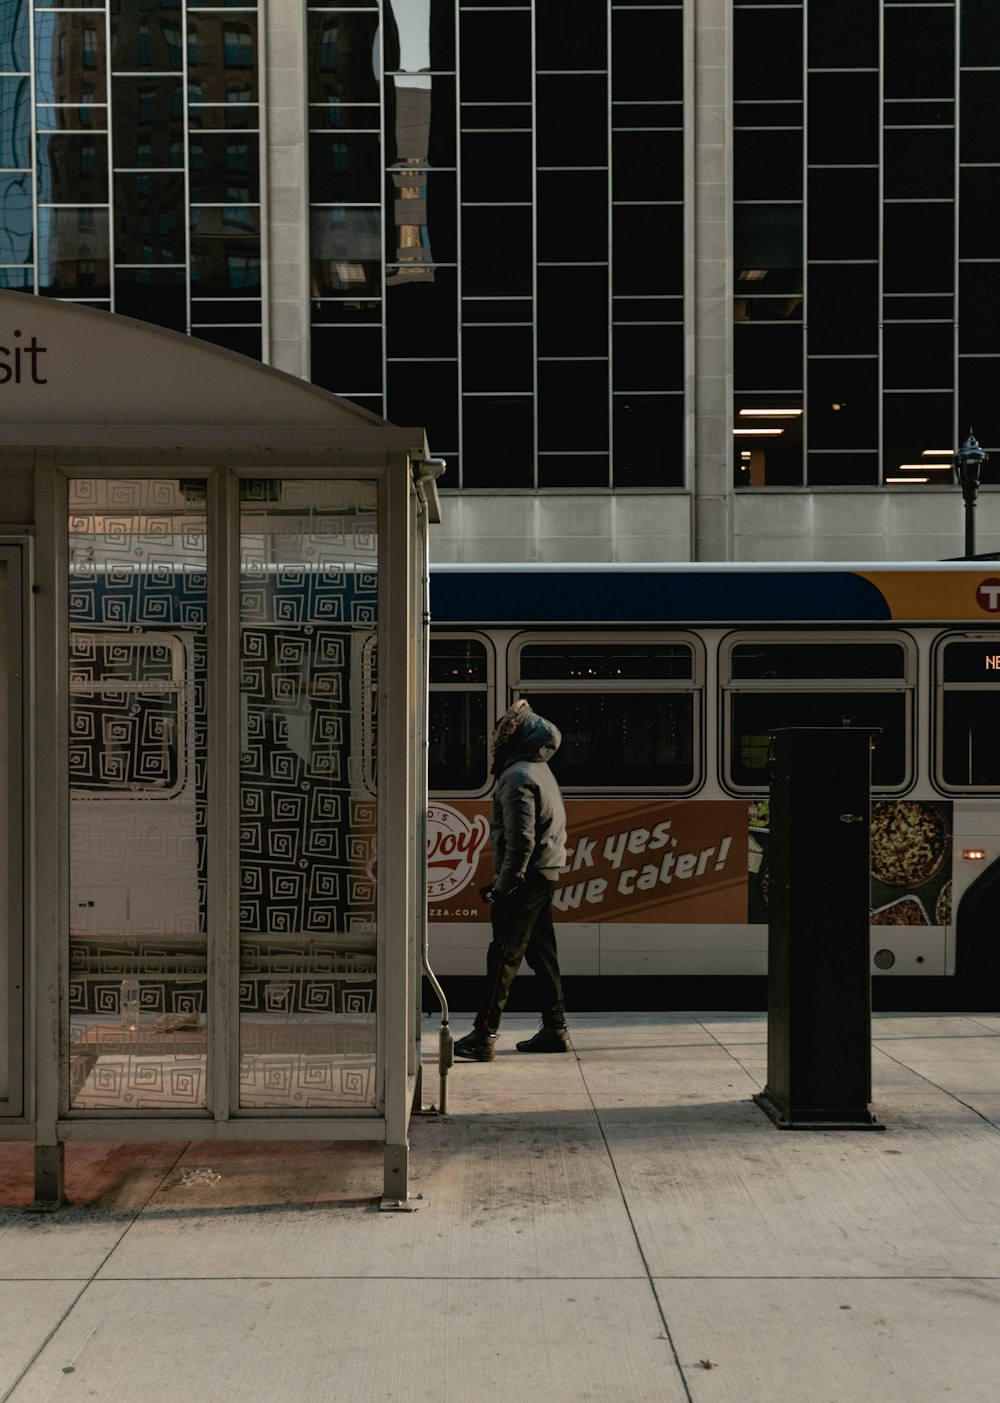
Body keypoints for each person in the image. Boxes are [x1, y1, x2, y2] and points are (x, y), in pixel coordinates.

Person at [454, 699, 570, 1061]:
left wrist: (506, 884)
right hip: (543, 873)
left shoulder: (517, 776)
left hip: (525, 877)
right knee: (542, 954)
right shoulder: (539, 770)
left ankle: (483, 1035)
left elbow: (520, 840)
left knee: (503, 955)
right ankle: (555, 1029)